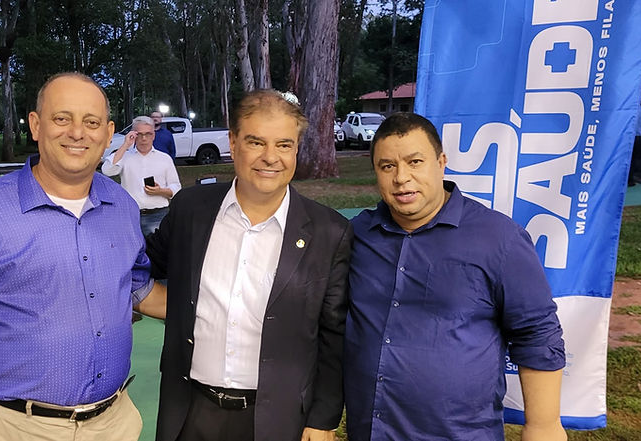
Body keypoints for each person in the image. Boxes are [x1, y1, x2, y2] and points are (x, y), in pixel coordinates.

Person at [0, 72, 164, 441]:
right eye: (62, 118)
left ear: (109, 133)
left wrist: (218, 309)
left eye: (91, 122)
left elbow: (138, 287)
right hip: (16, 427)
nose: (77, 132)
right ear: (35, 125)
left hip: (113, 424)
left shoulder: (121, 206)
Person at [344, 112, 567, 441]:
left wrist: (543, 426)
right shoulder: (356, 236)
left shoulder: (499, 239)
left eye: (415, 162)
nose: (401, 178)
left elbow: (537, 333)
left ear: (441, 162)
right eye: (387, 166)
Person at [144, 90, 352, 441]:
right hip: (190, 410)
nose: (270, 157)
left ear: (296, 149)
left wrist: (323, 419)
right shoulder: (191, 210)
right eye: (256, 142)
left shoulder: (330, 232)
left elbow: (334, 336)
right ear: (233, 142)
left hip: (278, 419)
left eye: (284, 145)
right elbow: (145, 264)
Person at [102, 115, 181, 236]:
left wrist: (161, 191)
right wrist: (125, 145)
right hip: (130, 215)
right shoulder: (124, 156)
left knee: (157, 248)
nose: (144, 138)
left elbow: (176, 187)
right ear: (133, 135)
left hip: (158, 215)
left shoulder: (164, 159)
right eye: (139, 134)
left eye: (148, 134)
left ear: (153, 135)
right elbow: (107, 170)